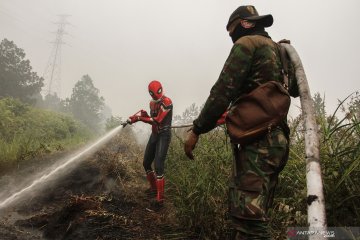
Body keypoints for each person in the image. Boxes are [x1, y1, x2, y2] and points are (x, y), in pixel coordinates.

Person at [184, 5, 299, 239]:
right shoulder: (279, 50)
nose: (231, 37)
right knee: (253, 214)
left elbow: (222, 92)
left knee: (250, 223)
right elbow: (295, 89)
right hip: (277, 143)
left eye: (231, 31)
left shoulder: (246, 45)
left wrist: (197, 129)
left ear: (243, 24)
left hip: (258, 144)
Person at [127, 80, 172, 206]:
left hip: (164, 135)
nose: (156, 98)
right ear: (151, 94)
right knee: (146, 162)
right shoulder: (151, 103)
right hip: (155, 135)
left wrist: (139, 118)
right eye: (153, 95)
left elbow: (157, 120)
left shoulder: (167, 102)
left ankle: (160, 199)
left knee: (158, 166)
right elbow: (152, 119)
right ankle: (153, 190)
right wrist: (145, 115)